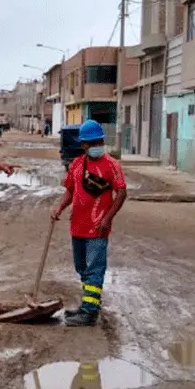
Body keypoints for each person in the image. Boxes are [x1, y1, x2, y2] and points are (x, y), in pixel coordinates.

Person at [49, 120, 127, 327]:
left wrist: (108, 218)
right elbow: (70, 191)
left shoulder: (112, 165)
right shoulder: (77, 165)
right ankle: (89, 303)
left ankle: (89, 312)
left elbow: (121, 192)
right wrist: (59, 207)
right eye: (92, 143)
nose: (96, 146)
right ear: (83, 145)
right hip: (78, 226)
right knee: (82, 268)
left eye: (99, 141)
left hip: (98, 228)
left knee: (94, 269)